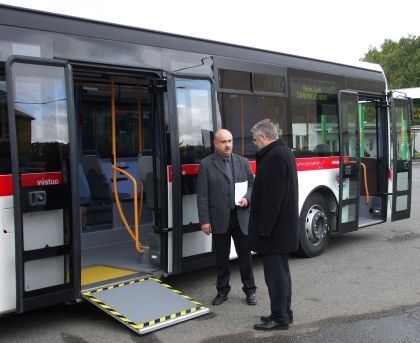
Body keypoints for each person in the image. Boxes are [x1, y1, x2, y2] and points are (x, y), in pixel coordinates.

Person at [248, 119, 299, 331]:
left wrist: (264, 229)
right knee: (282, 275)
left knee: (275, 278)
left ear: (262, 137)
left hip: (274, 233)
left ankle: (279, 318)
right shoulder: (283, 153)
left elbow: (272, 199)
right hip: (282, 231)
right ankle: (283, 313)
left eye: (254, 140)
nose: (254, 144)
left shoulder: (274, 157)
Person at [197, 129, 257, 306]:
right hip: (219, 219)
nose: (228, 145)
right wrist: (205, 220)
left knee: (245, 257)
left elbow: (253, 186)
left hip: (241, 218)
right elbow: (202, 195)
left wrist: (247, 199)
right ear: (215, 143)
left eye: (230, 141)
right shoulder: (206, 164)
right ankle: (222, 291)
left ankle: (250, 291)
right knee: (221, 259)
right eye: (223, 142)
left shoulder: (243, 162)